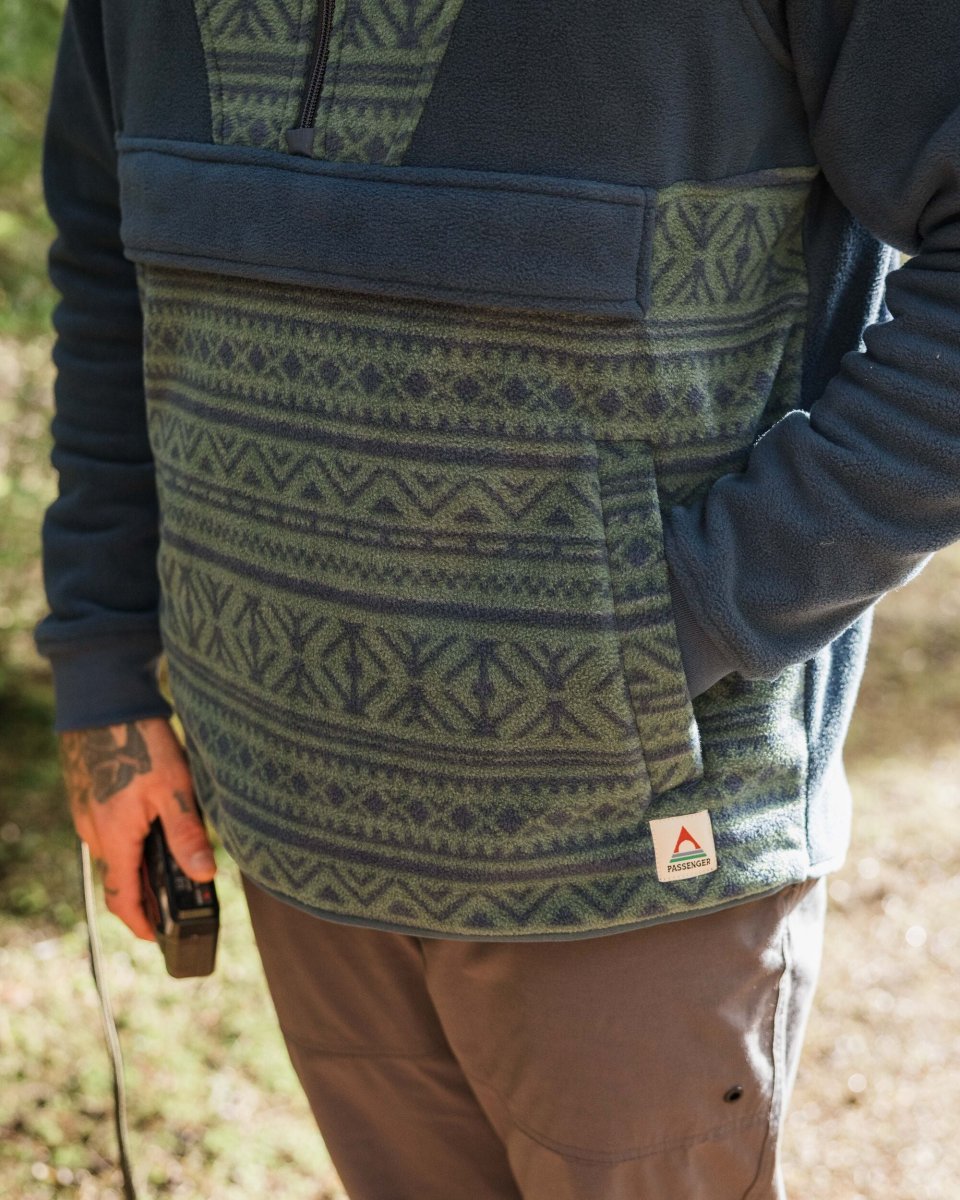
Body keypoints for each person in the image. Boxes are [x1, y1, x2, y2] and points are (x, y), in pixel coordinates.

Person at [36, 1, 960, 1197]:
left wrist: (682, 618)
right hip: (285, 821)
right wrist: (105, 669)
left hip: (631, 857)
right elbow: (107, 265)